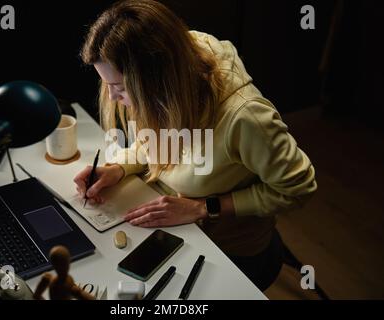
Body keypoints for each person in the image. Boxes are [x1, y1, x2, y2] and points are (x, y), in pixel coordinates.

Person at [74, 0, 317, 291]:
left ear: (159, 83)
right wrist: (118, 168)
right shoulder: (175, 68)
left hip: (229, 251)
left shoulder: (246, 119)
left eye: (122, 88)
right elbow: (161, 138)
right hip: (175, 223)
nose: (113, 98)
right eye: (108, 85)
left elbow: (299, 188)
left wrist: (204, 207)